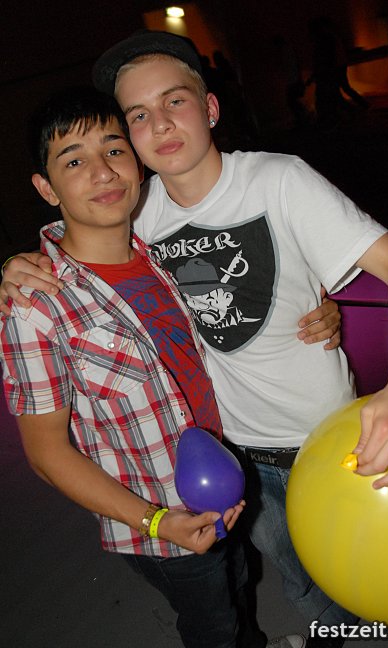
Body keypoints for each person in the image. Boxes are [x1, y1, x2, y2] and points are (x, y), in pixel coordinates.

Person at [2, 30, 388, 645]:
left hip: (333, 446)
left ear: (209, 108)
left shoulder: (278, 180)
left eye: (174, 101)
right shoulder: (136, 212)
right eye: (137, 116)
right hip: (239, 464)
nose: (160, 124)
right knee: (305, 590)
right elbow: (80, 243)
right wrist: (14, 267)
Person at [0, 85, 268, 648]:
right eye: (74, 161)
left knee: (241, 581)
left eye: (114, 149)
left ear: (138, 165)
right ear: (46, 188)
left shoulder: (158, 252)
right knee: (213, 626)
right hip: (162, 520)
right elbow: (46, 453)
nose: (103, 171)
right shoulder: (36, 306)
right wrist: (155, 520)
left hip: (226, 474)